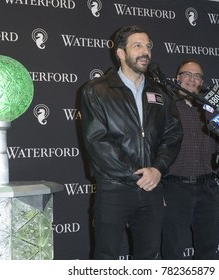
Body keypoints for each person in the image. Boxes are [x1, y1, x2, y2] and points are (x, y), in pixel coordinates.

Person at [80, 25, 183, 260]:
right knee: (107, 257)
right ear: (120, 53)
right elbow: (97, 142)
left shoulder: (160, 93)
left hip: (152, 189)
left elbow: (173, 135)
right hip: (114, 189)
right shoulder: (96, 91)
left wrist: (157, 169)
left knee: (148, 256)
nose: (145, 51)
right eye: (137, 46)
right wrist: (137, 176)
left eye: (148, 46)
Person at [161, 59, 219, 260]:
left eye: (197, 75)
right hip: (174, 188)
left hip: (208, 188)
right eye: (187, 74)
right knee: (173, 251)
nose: (192, 79)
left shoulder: (211, 110)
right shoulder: (165, 107)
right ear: (177, 78)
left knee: (209, 249)